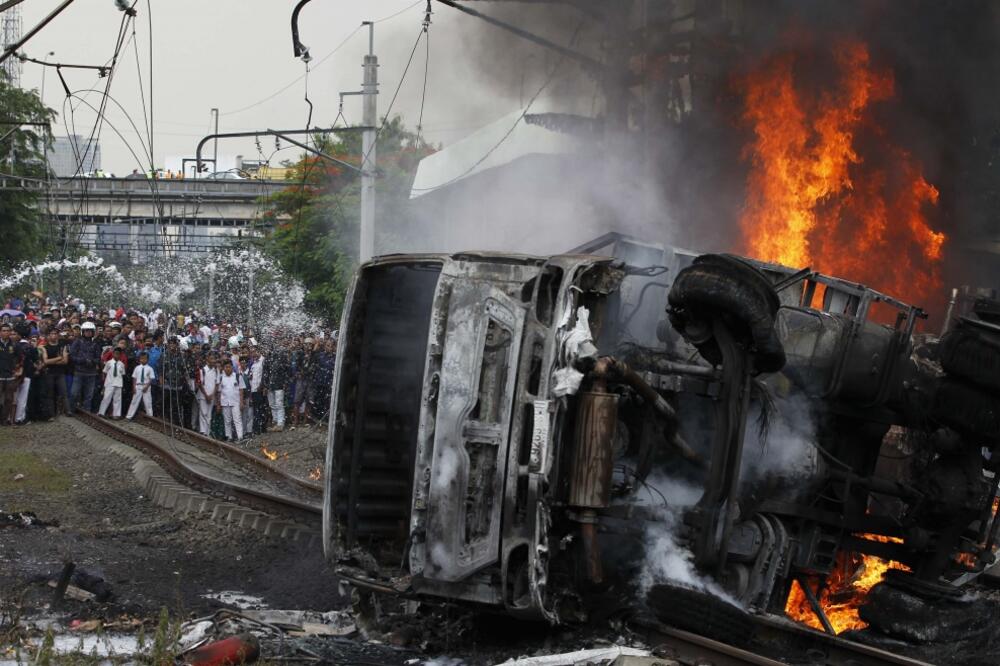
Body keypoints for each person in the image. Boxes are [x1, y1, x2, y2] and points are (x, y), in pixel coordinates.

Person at [69, 321, 102, 414]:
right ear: (83, 332)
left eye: (90, 331)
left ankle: (87, 411)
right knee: (74, 393)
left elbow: (98, 357)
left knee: (89, 394)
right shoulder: (77, 342)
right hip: (79, 371)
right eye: (86, 331)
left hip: (91, 372)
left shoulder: (95, 343)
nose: (88, 333)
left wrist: (92, 361)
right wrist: (82, 360)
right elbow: (72, 355)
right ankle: (71, 409)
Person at [39, 329, 69, 418]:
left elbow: (65, 361)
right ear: (48, 335)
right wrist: (59, 358)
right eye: (52, 333)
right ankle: (51, 413)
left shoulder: (62, 346)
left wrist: (52, 361)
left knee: (64, 393)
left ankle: (68, 411)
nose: (54, 335)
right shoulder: (44, 347)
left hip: (60, 373)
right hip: (49, 373)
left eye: (55, 334)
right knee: (50, 394)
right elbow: (45, 361)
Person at [12, 323, 38, 425]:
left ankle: (11, 418)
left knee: (14, 397)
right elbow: (36, 360)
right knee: (22, 398)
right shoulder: (30, 347)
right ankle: (20, 418)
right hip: (27, 375)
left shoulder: (14, 346)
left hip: (14, 374)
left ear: (19, 334)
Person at [265, 341, 291, 432]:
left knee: (279, 404)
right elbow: (266, 373)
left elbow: (288, 372)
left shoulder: (282, 359)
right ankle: (275, 421)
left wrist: (285, 383)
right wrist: (265, 384)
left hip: (279, 385)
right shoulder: (268, 359)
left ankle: (280, 423)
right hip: (270, 385)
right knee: (272, 404)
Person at [217, 360, 244, 442]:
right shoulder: (221, 377)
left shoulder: (237, 376)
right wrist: (218, 404)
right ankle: (229, 437)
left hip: (236, 402)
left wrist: (241, 402)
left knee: (237, 419)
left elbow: (241, 390)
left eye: (229, 367)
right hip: (225, 402)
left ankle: (240, 437)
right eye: (226, 367)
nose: (228, 369)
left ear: (232, 367)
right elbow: (219, 392)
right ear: (223, 368)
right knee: (227, 420)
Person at [98, 349, 126, 419]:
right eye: (115, 354)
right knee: (106, 397)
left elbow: (122, 374)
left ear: (120, 355)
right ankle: (101, 412)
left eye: (118, 354)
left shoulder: (122, 364)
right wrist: (104, 382)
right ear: (113, 354)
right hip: (109, 382)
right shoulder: (109, 363)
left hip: (118, 383)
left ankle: (116, 414)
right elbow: (104, 372)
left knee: (117, 399)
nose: (117, 355)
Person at [126, 351, 155, 419]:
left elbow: (151, 379)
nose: (143, 360)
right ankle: (129, 416)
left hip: (146, 386)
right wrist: (134, 387)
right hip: (138, 385)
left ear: (147, 359)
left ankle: (150, 416)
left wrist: (147, 386)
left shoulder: (150, 368)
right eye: (141, 358)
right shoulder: (137, 368)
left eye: (145, 359)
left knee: (148, 402)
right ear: (139, 359)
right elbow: (134, 378)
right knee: (134, 401)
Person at [196, 352, 219, 436]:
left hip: (211, 395)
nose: (213, 361)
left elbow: (217, 384)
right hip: (203, 396)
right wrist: (206, 395)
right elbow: (200, 384)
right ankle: (202, 431)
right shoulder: (202, 370)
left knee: (209, 414)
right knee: (203, 413)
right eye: (212, 359)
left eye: (214, 359)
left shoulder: (216, 370)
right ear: (207, 360)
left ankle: (207, 432)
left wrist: (212, 395)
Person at [0, 324, 17, 424]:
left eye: (7, 330)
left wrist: (16, 369)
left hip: (10, 376)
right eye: (4, 330)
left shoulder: (14, 345)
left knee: (8, 399)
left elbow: (20, 357)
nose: (6, 332)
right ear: (0, 332)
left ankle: (4, 420)